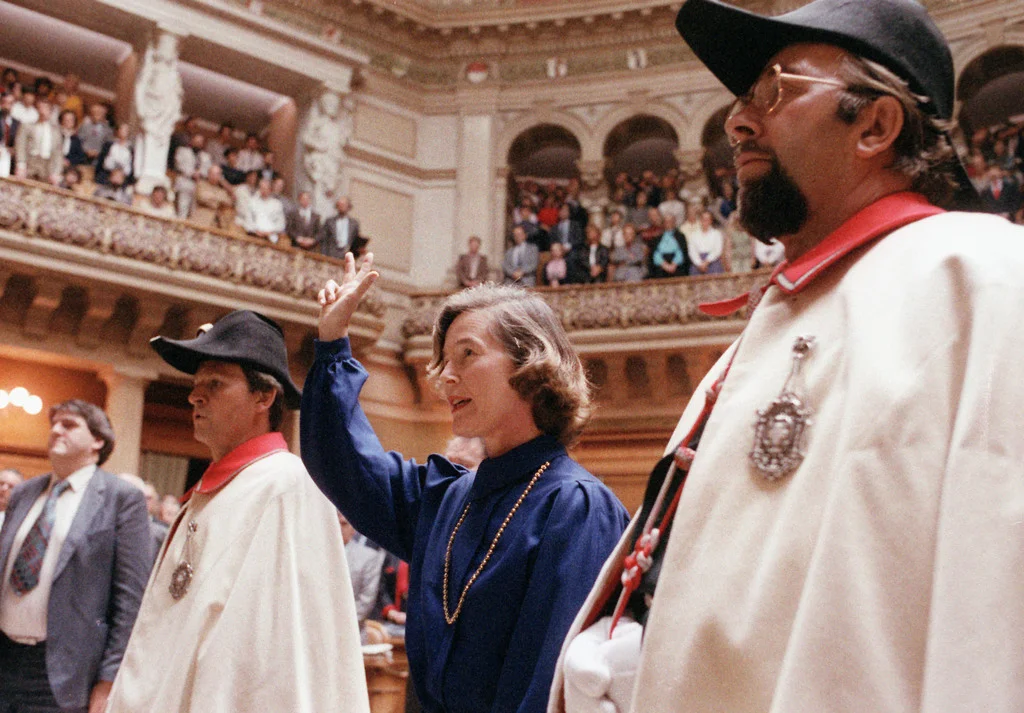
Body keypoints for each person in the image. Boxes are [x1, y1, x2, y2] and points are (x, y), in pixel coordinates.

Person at [549, 1, 1024, 712]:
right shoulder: (760, 332)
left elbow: (991, 627)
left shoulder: (981, 278)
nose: (738, 122)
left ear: (875, 124)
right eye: (743, 100)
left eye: (775, 89)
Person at [303, 257, 629, 713]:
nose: (444, 376)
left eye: (467, 354)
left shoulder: (577, 507)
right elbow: (347, 465)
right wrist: (333, 345)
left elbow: (546, 687)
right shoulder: (449, 497)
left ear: (531, 363)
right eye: (444, 360)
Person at [105, 310, 370, 713]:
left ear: (264, 397)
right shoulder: (212, 491)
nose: (195, 396)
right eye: (196, 385)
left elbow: (262, 659)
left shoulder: (284, 486)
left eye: (215, 383)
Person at [0, 400, 150, 713]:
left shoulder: (121, 498)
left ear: (98, 440)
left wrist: (109, 679)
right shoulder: (25, 493)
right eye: (53, 424)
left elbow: (130, 599)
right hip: (4, 655)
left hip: (61, 671)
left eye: (68, 425)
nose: (55, 430)